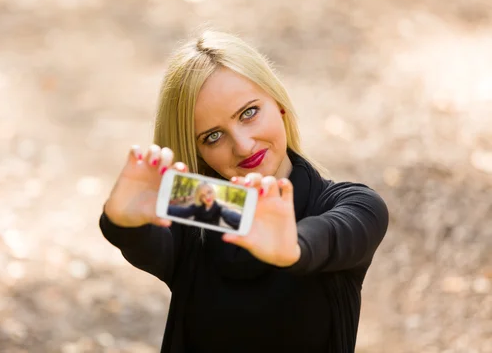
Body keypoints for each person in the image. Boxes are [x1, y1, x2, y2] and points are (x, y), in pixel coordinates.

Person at [99, 30, 389, 352]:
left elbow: (337, 233)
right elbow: (148, 240)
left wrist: (291, 245)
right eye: (212, 136)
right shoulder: (197, 213)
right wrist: (123, 220)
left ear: (278, 103)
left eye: (249, 113)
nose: (242, 145)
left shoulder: (352, 204)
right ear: (198, 153)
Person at [167, 182, 242, 229]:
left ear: (213, 192)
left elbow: (230, 215)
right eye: (202, 195)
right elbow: (183, 212)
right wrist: (167, 208)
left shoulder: (221, 208)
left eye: (209, 192)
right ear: (200, 198)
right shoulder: (196, 207)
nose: (207, 197)